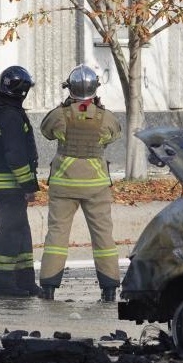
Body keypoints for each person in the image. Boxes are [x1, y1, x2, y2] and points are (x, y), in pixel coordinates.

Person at [38, 65, 123, 302]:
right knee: (103, 235)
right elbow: (115, 134)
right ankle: (108, 288)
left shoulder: (59, 115)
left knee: (57, 234)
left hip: (64, 184)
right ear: (95, 89)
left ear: (70, 88)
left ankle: (49, 287)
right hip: (96, 185)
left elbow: (46, 131)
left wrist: (67, 109)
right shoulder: (105, 117)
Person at [0, 65, 41, 297]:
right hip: (10, 183)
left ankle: (25, 280)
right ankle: (4, 283)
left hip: (6, 182)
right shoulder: (8, 114)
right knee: (9, 232)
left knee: (21, 231)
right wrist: (28, 186)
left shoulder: (2, 110)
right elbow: (15, 155)